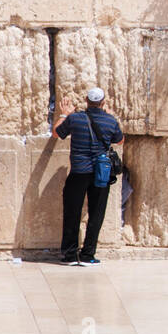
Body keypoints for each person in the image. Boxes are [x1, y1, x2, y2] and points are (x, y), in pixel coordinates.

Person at [54, 88, 124, 266]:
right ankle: (88, 254)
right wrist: (109, 115)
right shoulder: (110, 121)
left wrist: (64, 114)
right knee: (96, 213)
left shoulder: (75, 118)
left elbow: (57, 133)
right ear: (103, 102)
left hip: (79, 171)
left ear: (86, 100)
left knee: (72, 212)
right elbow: (120, 140)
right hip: (101, 173)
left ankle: (70, 255)